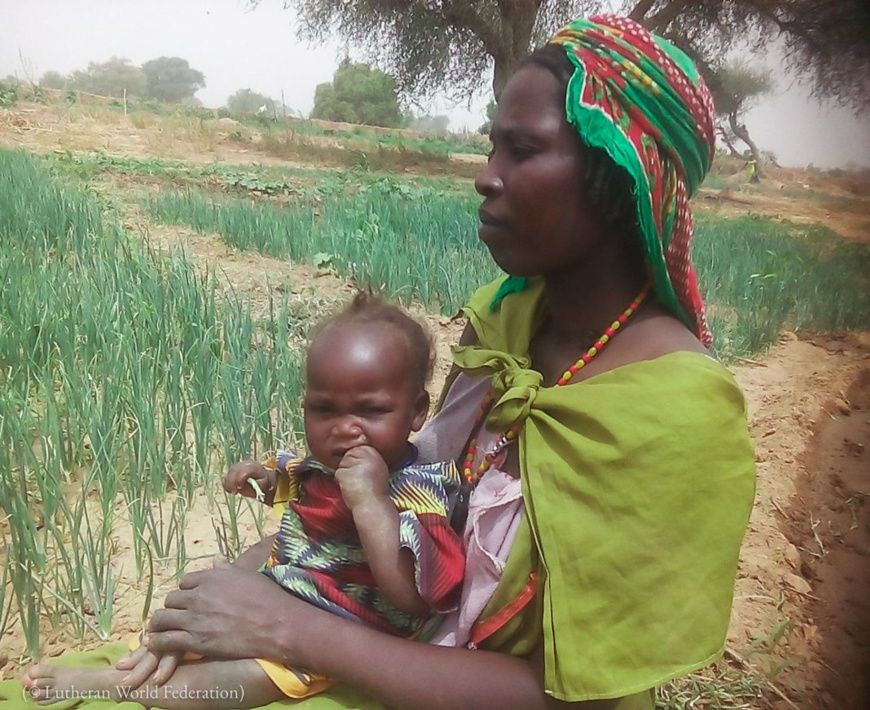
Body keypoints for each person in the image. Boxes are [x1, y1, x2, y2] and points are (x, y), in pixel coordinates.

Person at [11, 14, 755, 710]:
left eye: (522, 150)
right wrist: (276, 563)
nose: (486, 175)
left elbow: (561, 693)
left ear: (623, 177)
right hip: (386, 639)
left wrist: (289, 628)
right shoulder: (506, 319)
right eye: (492, 145)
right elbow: (411, 481)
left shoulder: (679, 414)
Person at [21, 294, 465, 707]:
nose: (344, 429)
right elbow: (298, 480)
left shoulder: (421, 488)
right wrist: (266, 480)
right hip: (285, 585)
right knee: (202, 606)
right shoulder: (326, 464)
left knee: (252, 678)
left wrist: (371, 501)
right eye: (324, 409)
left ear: (417, 412)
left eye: (370, 411)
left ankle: (123, 687)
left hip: (342, 624)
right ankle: (150, 654)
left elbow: (411, 596)